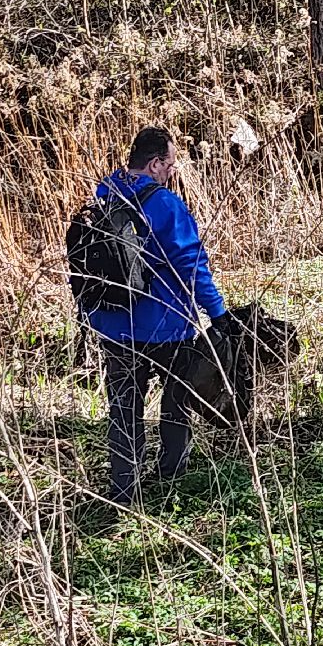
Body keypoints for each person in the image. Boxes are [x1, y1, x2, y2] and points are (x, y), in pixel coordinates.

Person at [85, 126, 230, 506]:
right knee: (176, 401)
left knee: (124, 410)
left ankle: (124, 489)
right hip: (166, 325)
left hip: (114, 325)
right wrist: (217, 312)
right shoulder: (166, 205)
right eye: (170, 164)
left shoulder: (103, 195)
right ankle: (171, 477)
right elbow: (191, 264)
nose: (171, 171)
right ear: (154, 164)